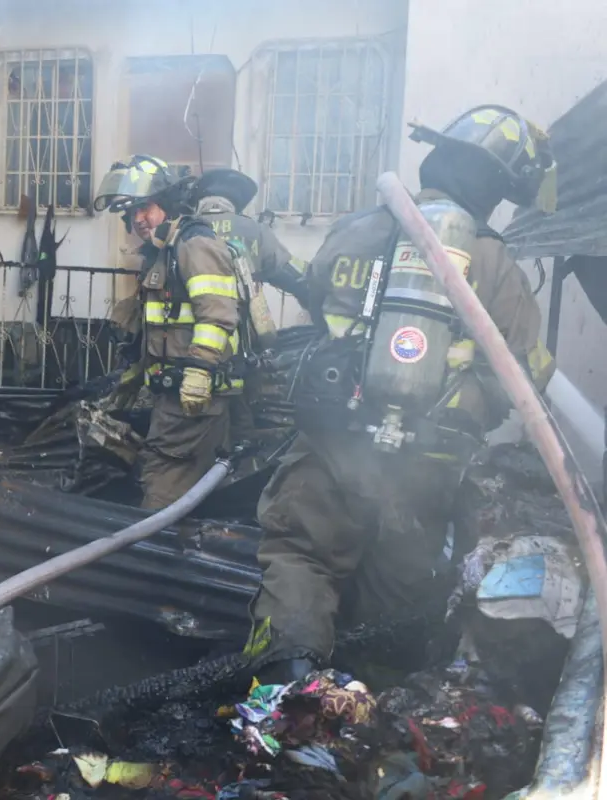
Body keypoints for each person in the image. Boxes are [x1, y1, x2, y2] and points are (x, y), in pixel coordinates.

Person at [244, 105, 559, 683]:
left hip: (335, 441)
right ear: (494, 188)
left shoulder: (360, 226)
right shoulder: (492, 260)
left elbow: (317, 298)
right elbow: (526, 371)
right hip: (427, 463)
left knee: (302, 560)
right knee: (397, 591)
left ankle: (285, 701)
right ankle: (372, 711)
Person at [97, 155, 242, 509]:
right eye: (132, 213)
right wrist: (128, 385)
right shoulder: (163, 253)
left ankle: (148, 554)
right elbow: (152, 333)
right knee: (178, 480)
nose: (139, 220)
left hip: (194, 398)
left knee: (162, 487)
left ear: (167, 202)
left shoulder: (194, 244)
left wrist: (199, 371)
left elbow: (219, 312)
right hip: (174, 396)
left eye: (145, 208)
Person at [192, 168, 312, 443]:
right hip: (239, 350)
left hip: (187, 351)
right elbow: (295, 275)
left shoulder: (182, 229)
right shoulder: (254, 231)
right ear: (237, 202)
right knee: (240, 420)